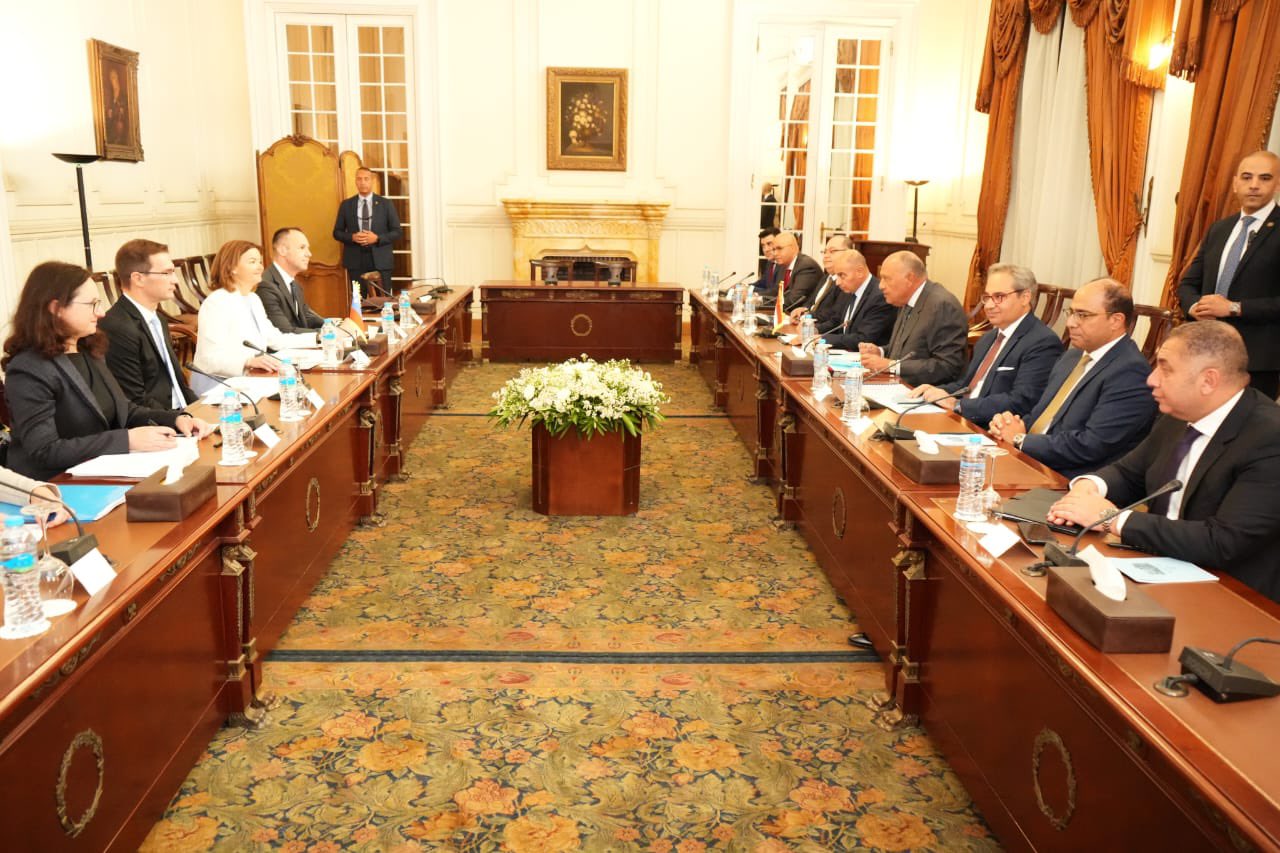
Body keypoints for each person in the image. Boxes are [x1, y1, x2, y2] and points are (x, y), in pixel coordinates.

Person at [1048, 321, 1280, 603]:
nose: (1152, 379)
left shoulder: (1269, 438)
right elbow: (1129, 473)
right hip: (1158, 566)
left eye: (1165, 369)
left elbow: (1223, 542)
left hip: (1233, 595)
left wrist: (1112, 519)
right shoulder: (1178, 414)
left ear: (1208, 381)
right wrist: (1089, 488)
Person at [2, 261, 211, 481]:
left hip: (102, 472)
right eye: (92, 304)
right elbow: (45, 450)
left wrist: (176, 419)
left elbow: (124, 410)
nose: (101, 313)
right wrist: (127, 440)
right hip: (56, 484)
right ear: (56, 309)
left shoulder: (88, 348)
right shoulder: (28, 369)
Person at [988, 278, 1155, 478]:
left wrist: (1020, 440)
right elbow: (1042, 415)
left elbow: (1092, 445)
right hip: (1030, 460)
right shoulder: (1073, 356)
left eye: (1083, 315)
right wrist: (1009, 424)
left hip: (1068, 479)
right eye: (1071, 312)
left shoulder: (1131, 372)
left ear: (1116, 320)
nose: (1070, 323)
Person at [1177, 150, 1280, 399]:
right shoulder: (1220, 229)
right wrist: (1196, 306)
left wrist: (1233, 308)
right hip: (1203, 350)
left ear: (1278, 185)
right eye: (1247, 177)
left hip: (1255, 360)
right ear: (1235, 183)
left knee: (1245, 423)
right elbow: (1188, 284)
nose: (1254, 185)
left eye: (1265, 178)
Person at [909, 264, 1062, 429]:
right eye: (987, 297)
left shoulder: (1043, 342)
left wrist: (958, 405)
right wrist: (936, 391)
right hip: (960, 419)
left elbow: (1021, 401)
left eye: (999, 297)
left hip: (988, 429)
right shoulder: (988, 338)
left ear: (1025, 297)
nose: (988, 305)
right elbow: (967, 386)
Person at [191, 240, 319, 394]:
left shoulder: (253, 299)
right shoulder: (217, 302)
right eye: (252, 262)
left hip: (250, 379)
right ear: (231, 267)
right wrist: (248, 361)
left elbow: (275, 339)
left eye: (260, 262)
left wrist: (318, 338)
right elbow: (208, 359)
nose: (260, 267)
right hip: (219, 386)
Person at [99, 239, 198, 411]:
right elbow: (135, 399)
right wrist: (182, 419)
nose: (175, 280)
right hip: (156, 421)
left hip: (180, 413)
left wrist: (200, 410)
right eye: (167, 273)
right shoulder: (117, 327)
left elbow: (176, 383)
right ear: (138, 279)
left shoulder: (158, 319)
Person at [857, 251, 967, 385]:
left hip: (923, 392)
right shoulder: (906, 299)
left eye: (887, 279)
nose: (881, 285)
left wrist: (890, 366)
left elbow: (947, 367)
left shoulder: (941, 305)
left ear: (909, 278)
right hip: (897, 386)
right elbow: (910, 350)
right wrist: (880, 352)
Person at [333, 167, 402, 295]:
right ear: (355, 181)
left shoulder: (385, 204)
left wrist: (377, 238)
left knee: (383, 300)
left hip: (381, 260)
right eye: (359, 179)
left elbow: (397, 231)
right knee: (358, 300)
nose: (363, 182)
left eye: (366, 179)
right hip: (355, 260)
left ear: (372, 181)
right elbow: (337, 232)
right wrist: (352, 237)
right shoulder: (346, 205)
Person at [812, 249, 896, 351]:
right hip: (843, 353)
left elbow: (864, 338)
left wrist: (823, 339)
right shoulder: (848, 289)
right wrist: (814, 330)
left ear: (859, 272)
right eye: (837, 276)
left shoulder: (879, 296)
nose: (837, 282)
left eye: (842, 275)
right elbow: (836, 321)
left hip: (864, 356)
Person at [257, 227, 324, 334]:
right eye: (302, 247)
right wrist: (328, 333)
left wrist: (335, 326)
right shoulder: (266, 285)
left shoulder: (295, 284)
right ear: (282, 250)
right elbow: (284, 331)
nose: (309, 254)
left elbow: (306, 316)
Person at [789, 233, 854, 322]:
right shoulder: (826, 278)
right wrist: (802, 309)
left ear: (849, 253)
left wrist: (806, 316)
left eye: (832, 251)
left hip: (821, 327)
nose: (826, 256)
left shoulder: (847, 282)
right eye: (824, 252)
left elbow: (832, 315)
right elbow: (812, 302)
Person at [768, 232, 824, 312]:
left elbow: (793, 301)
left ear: (793, 248)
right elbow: (776, 291)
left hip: (803, 314)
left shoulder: (806, 266)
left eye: (779, 248)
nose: (775, 253)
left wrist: (762, 304)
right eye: (774, 249)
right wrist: (757, 298)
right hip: (786, 313)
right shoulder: (783, 264)